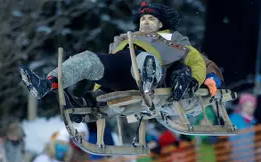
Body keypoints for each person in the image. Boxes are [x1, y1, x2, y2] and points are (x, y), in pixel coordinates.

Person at [19, 2, 222, 113]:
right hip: (123, 72)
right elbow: (113, 64)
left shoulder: (175, 41)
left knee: (144, 59)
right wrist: (95, 96)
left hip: (154, 73)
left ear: (161, 24)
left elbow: (198, 62)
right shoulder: (125, 39)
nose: (146, 22)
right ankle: (47, 84)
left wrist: (203, 80)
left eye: (151, 19)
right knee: (89, 59)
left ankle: (147, 82)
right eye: (143, 19)